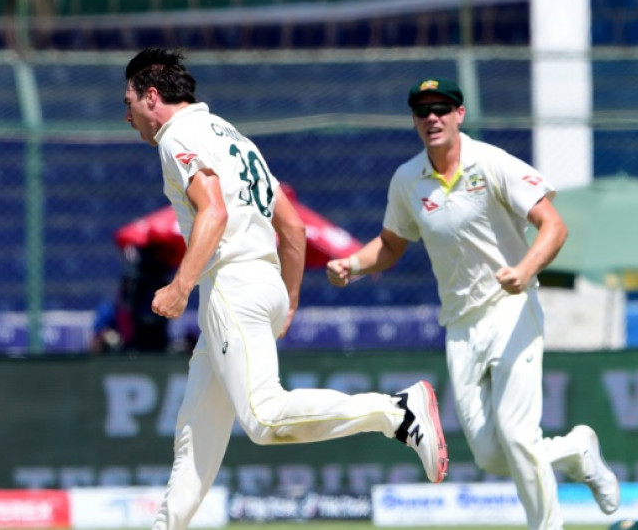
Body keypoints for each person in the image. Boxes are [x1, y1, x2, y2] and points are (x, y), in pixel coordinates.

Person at [123, 47, 448, 530]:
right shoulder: (234, 137)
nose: (127, 117)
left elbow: (213, 212)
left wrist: (180, 285)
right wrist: (289, 300)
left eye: (127, 102)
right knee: (197, 430)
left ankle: (395, 412)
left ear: (152, 96)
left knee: (264, 418)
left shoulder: (178, 136)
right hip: (262, 283)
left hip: (231, 284)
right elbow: (293, 229)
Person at [326, 78, 620, 530]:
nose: (432, 118)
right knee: (491, 456)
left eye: (442, 108)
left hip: (511, 311)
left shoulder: (493, 163)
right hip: (460, 327)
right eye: (423, 111)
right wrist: (353, 264)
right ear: (414, 121)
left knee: (518, 436)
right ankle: (576, 449)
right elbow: (390, 244)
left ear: (460, 114)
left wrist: (524, 271)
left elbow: (554, 227)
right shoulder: (407, 179)